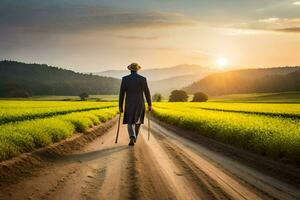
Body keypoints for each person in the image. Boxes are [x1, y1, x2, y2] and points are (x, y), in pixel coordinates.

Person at [119, 63, 152, 146]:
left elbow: (121, 94)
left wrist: (120, 106)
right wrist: (149, 104)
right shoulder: (143, 79)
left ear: (130, 69)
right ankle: (134, 137)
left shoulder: (125, 79)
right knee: (138, 121)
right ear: (137, 69)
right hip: (140, 103)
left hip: (129, 103)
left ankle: (132, 137)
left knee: (130, 121)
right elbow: (147, 92)